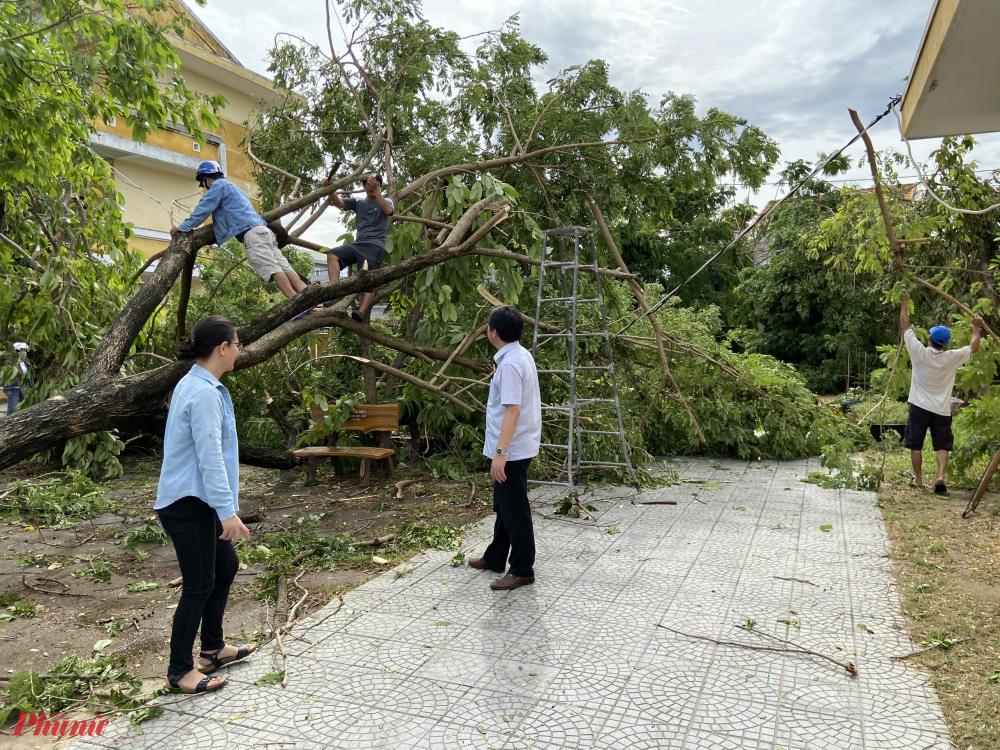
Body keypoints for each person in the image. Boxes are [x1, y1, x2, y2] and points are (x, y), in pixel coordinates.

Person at [155, 316, 255, 694]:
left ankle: (212, 648)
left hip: (197, 500)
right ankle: (180, 671)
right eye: (238, 343)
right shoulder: (203, 392)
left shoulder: (198, 383)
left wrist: (222, 509)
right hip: (187, 504)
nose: (240, 350)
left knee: (225, 565)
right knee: (198, 586)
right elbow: (210, 456)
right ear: (223, 348)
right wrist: (227, 512)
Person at [468, 305, 542, 590]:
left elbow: (512, 411)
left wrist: (500, 454)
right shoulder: (519, 355)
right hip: (516, 445)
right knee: (504, 505)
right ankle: (496, 556)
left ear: (493, 332)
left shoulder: (511, 364)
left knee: (514, 508)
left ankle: (523, 568)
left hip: (512, 449)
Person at [171, 161, 307, 302]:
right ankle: (306, 298)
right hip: (264, 231)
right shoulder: (233, 187)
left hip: (252, 234)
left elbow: (203, 210)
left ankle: (296, 302)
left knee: (273, 269)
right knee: (285, 267)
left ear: (205, 178)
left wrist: (183, 226)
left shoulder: (218, 186)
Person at [899, 292, 982, 494]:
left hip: (919, 406)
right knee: (942, 445)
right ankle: (940, 477)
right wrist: (976, 326)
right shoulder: (952, 357)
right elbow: (974, 347)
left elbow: (905, 326)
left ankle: (918, 479)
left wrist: (904, 303)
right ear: (945, 343)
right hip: (942, 409)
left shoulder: (919, 352)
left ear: (929, 339)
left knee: (915, 445)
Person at [322, 173, 394, 322]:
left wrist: (377, 191)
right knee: (332, 254)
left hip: (375, 246)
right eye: (369, 185)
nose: (373, 188)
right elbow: (339, 203)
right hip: (358, 244)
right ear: (364, 187)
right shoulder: (359, 202)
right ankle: (335, 291)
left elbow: (388, 211)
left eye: (376, 185)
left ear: (380, 186)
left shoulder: (386, 201)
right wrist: (330, 188)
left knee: (368, 278)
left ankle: (360, 312)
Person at [3, 342, 32, 416]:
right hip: (13, 388)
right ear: (16, 351)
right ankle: (8, 423)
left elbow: (29, 376)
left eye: (25, 350)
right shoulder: (9, 362)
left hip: (25, 387)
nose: (24, 352)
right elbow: (6, 376)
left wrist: (32, 387)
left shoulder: (26, 363)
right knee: (12, 408)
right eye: (22, 350)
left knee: (25, 408)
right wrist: (7, 389)